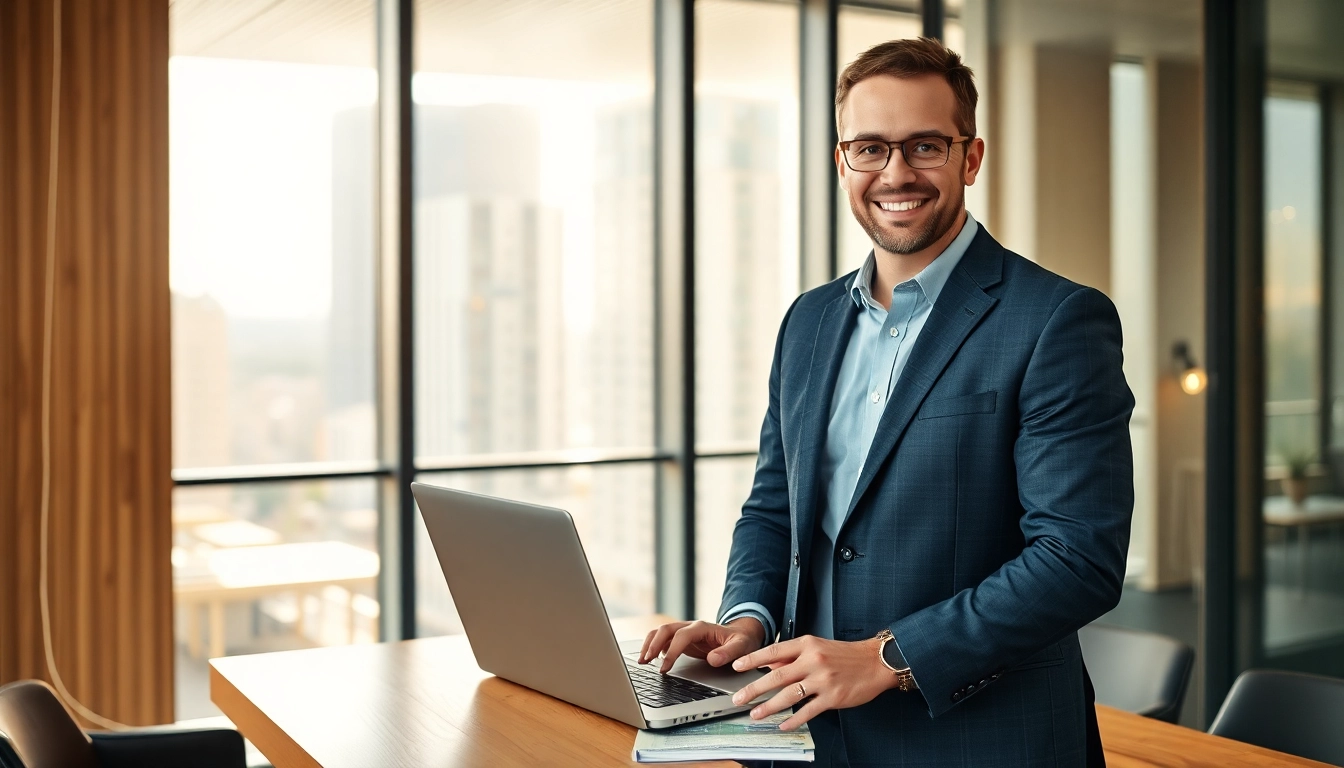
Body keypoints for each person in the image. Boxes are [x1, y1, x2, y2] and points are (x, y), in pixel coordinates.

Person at [639, 37, 1133, 767]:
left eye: (925, 145)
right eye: (869, 148)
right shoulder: (807, 321)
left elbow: (1077, 557)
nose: (896, 173)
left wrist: (887, 656)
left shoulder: (1056, 319)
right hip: (812, 736)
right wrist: (746, 621)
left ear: (971, 157)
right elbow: (774, 507)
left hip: (985, 740)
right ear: (842, 161)